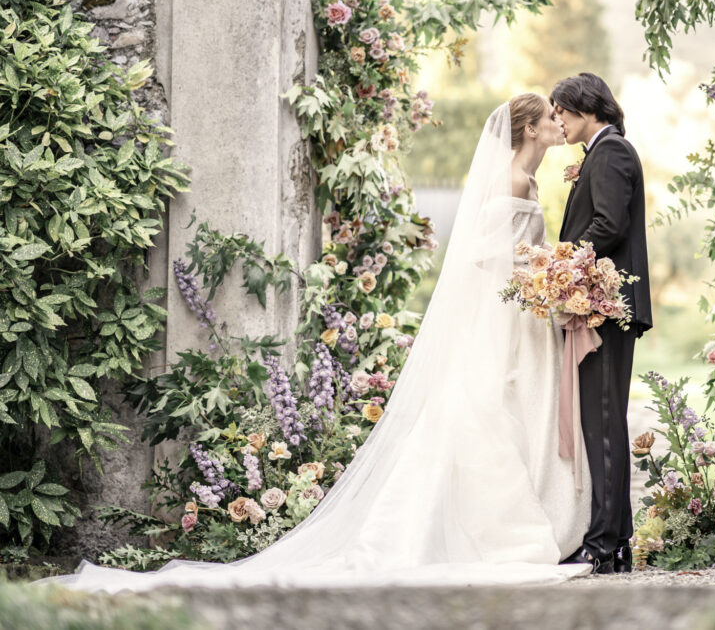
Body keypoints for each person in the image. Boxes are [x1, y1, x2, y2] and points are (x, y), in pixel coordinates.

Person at [44, 95, 593, 593]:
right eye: (549, 118)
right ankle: (493, 529)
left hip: (520, 311)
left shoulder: (528, 178)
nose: (556, 123)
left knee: (506, 410)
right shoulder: (512, 181)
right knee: (486, 411)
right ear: (527, 129)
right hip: (504, 313)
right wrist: (544, 274)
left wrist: (548, 276)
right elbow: (487, 257)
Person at [552, 73, 652, 574]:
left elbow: (608, 226)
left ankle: (604, 544)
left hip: (607, 308)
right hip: (601, 304)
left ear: (587, 108)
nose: (558, 122)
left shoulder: (610, 151)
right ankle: (617, 541)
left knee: (605, 425)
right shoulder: (602, 151)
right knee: (602, 423)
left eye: (563, 112)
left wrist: (562, 266)